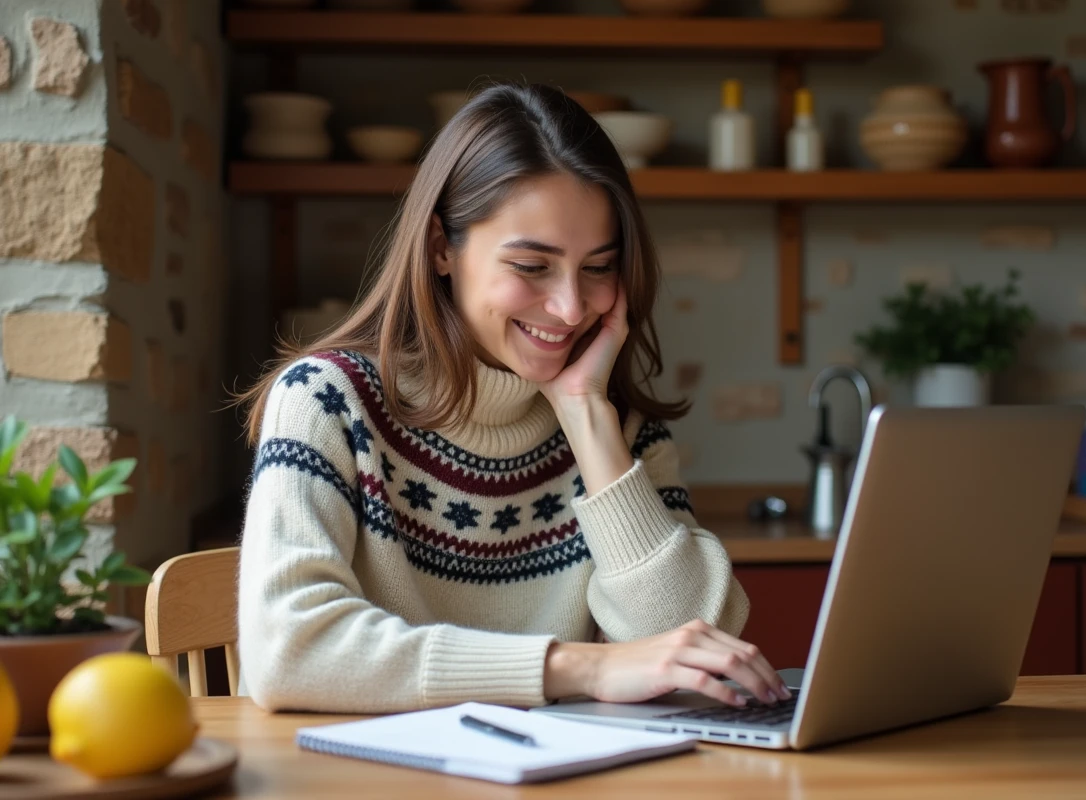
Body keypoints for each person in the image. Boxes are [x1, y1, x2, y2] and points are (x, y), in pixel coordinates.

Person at [234, 82, 790, 714]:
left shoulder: (619, 431)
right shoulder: (328, 402)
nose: (571, 307)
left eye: (599, 267)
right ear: (442, 248)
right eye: (532, 267)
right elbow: (289, 651)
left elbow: (691, 648)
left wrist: (584, 416)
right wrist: (580, 667)